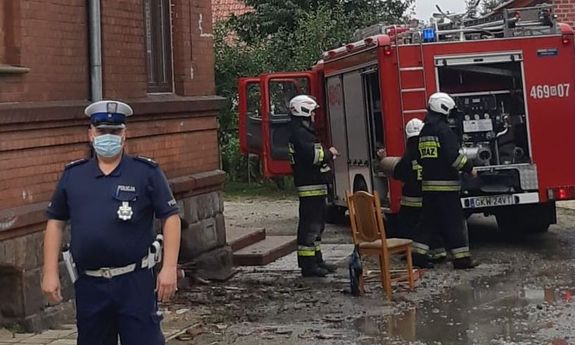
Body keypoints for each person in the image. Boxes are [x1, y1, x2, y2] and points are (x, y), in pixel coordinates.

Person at [41, 100, 181, 345]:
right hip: (90, 284)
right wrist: (50, 272)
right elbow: (55, 222)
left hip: (134, 282)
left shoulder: (146, 172)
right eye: (102, 131)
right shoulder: (73, 176)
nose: (108, 136)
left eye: (115, 131)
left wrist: (169, 267)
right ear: (90, 134)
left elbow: (170, 217)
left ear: (125, 135)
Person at [414, 92, 478, 270]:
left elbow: (420, 159)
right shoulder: (444, 131)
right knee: (454, 222)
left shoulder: (425, 131)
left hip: (428, 187)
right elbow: (454, 157)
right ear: (444, 109)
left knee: (427, 222)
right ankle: (462, 260)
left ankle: (418, 256)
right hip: (446, 188)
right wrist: (469, 168)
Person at [377, 119, 447, 264]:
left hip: (411, 201)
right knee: (431, 225)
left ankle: (414, 255)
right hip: (429, 197)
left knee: (408, 227)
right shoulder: (429, 152)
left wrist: (383, 160)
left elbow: (399, 173)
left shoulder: (409, 154)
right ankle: (438, 252)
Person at [288, 95, 339, 277]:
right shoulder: (300, 134)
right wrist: (329, 153)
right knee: (310, 226)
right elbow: (314, 156)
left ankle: (317, 260)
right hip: (310, 186)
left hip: (316, 186)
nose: (314, 116)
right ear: (304, 111)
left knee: (317, 226)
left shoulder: (304, 132)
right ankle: (308, 265)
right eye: (312, 112)